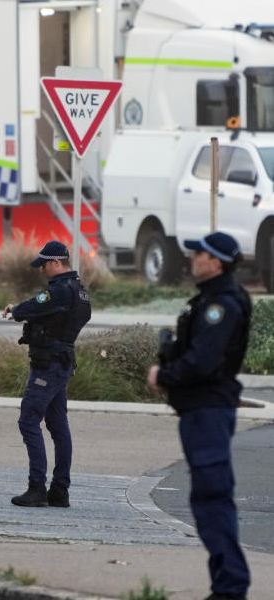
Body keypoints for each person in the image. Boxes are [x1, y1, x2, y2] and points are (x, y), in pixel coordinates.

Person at [148, 231, 251, 600]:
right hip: (200, 410)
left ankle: (231, 587)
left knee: (212, 498)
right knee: (209, 499)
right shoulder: (210, 300)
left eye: (201, 253)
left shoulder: (221, 305)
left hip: (208, 409)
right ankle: (226, 584)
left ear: (217, 261)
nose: (194, 258)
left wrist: (165, 375)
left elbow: (205, 361)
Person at [1, 240, 91, 508]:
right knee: (58, 426)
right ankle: (60, 490)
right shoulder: (80, 291)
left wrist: (14, 311)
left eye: (44, 265)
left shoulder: (61, 290)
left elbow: (37, 305)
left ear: (55, 263)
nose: (42, 270)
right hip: (61, 363)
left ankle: (37, 487)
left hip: (48, 365)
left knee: (28, 420)